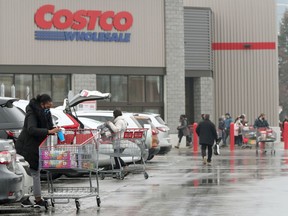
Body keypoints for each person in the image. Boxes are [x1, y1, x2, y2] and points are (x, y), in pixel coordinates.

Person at [15, 94, 61, 208]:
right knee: (33, 172)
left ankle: (28, 198)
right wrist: (49, 131)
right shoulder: (32, 112)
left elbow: (48, 127)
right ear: (42, 104)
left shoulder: (45, 112)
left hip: (36, 146)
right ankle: (37, 199)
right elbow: (31, 129)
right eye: (48, 106)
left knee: (33, 173)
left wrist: (55, 130)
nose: (49, 108)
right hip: (27, 146)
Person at [106, 109, 129, 174]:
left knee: (116, 156)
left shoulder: (119, 121)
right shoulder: (123, 121)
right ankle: (120, 168)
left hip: (119, 142)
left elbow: (116, 130)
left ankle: (121, 168)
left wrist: (110, 124)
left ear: (115, 115)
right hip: (122, 141)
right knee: (116, 156)